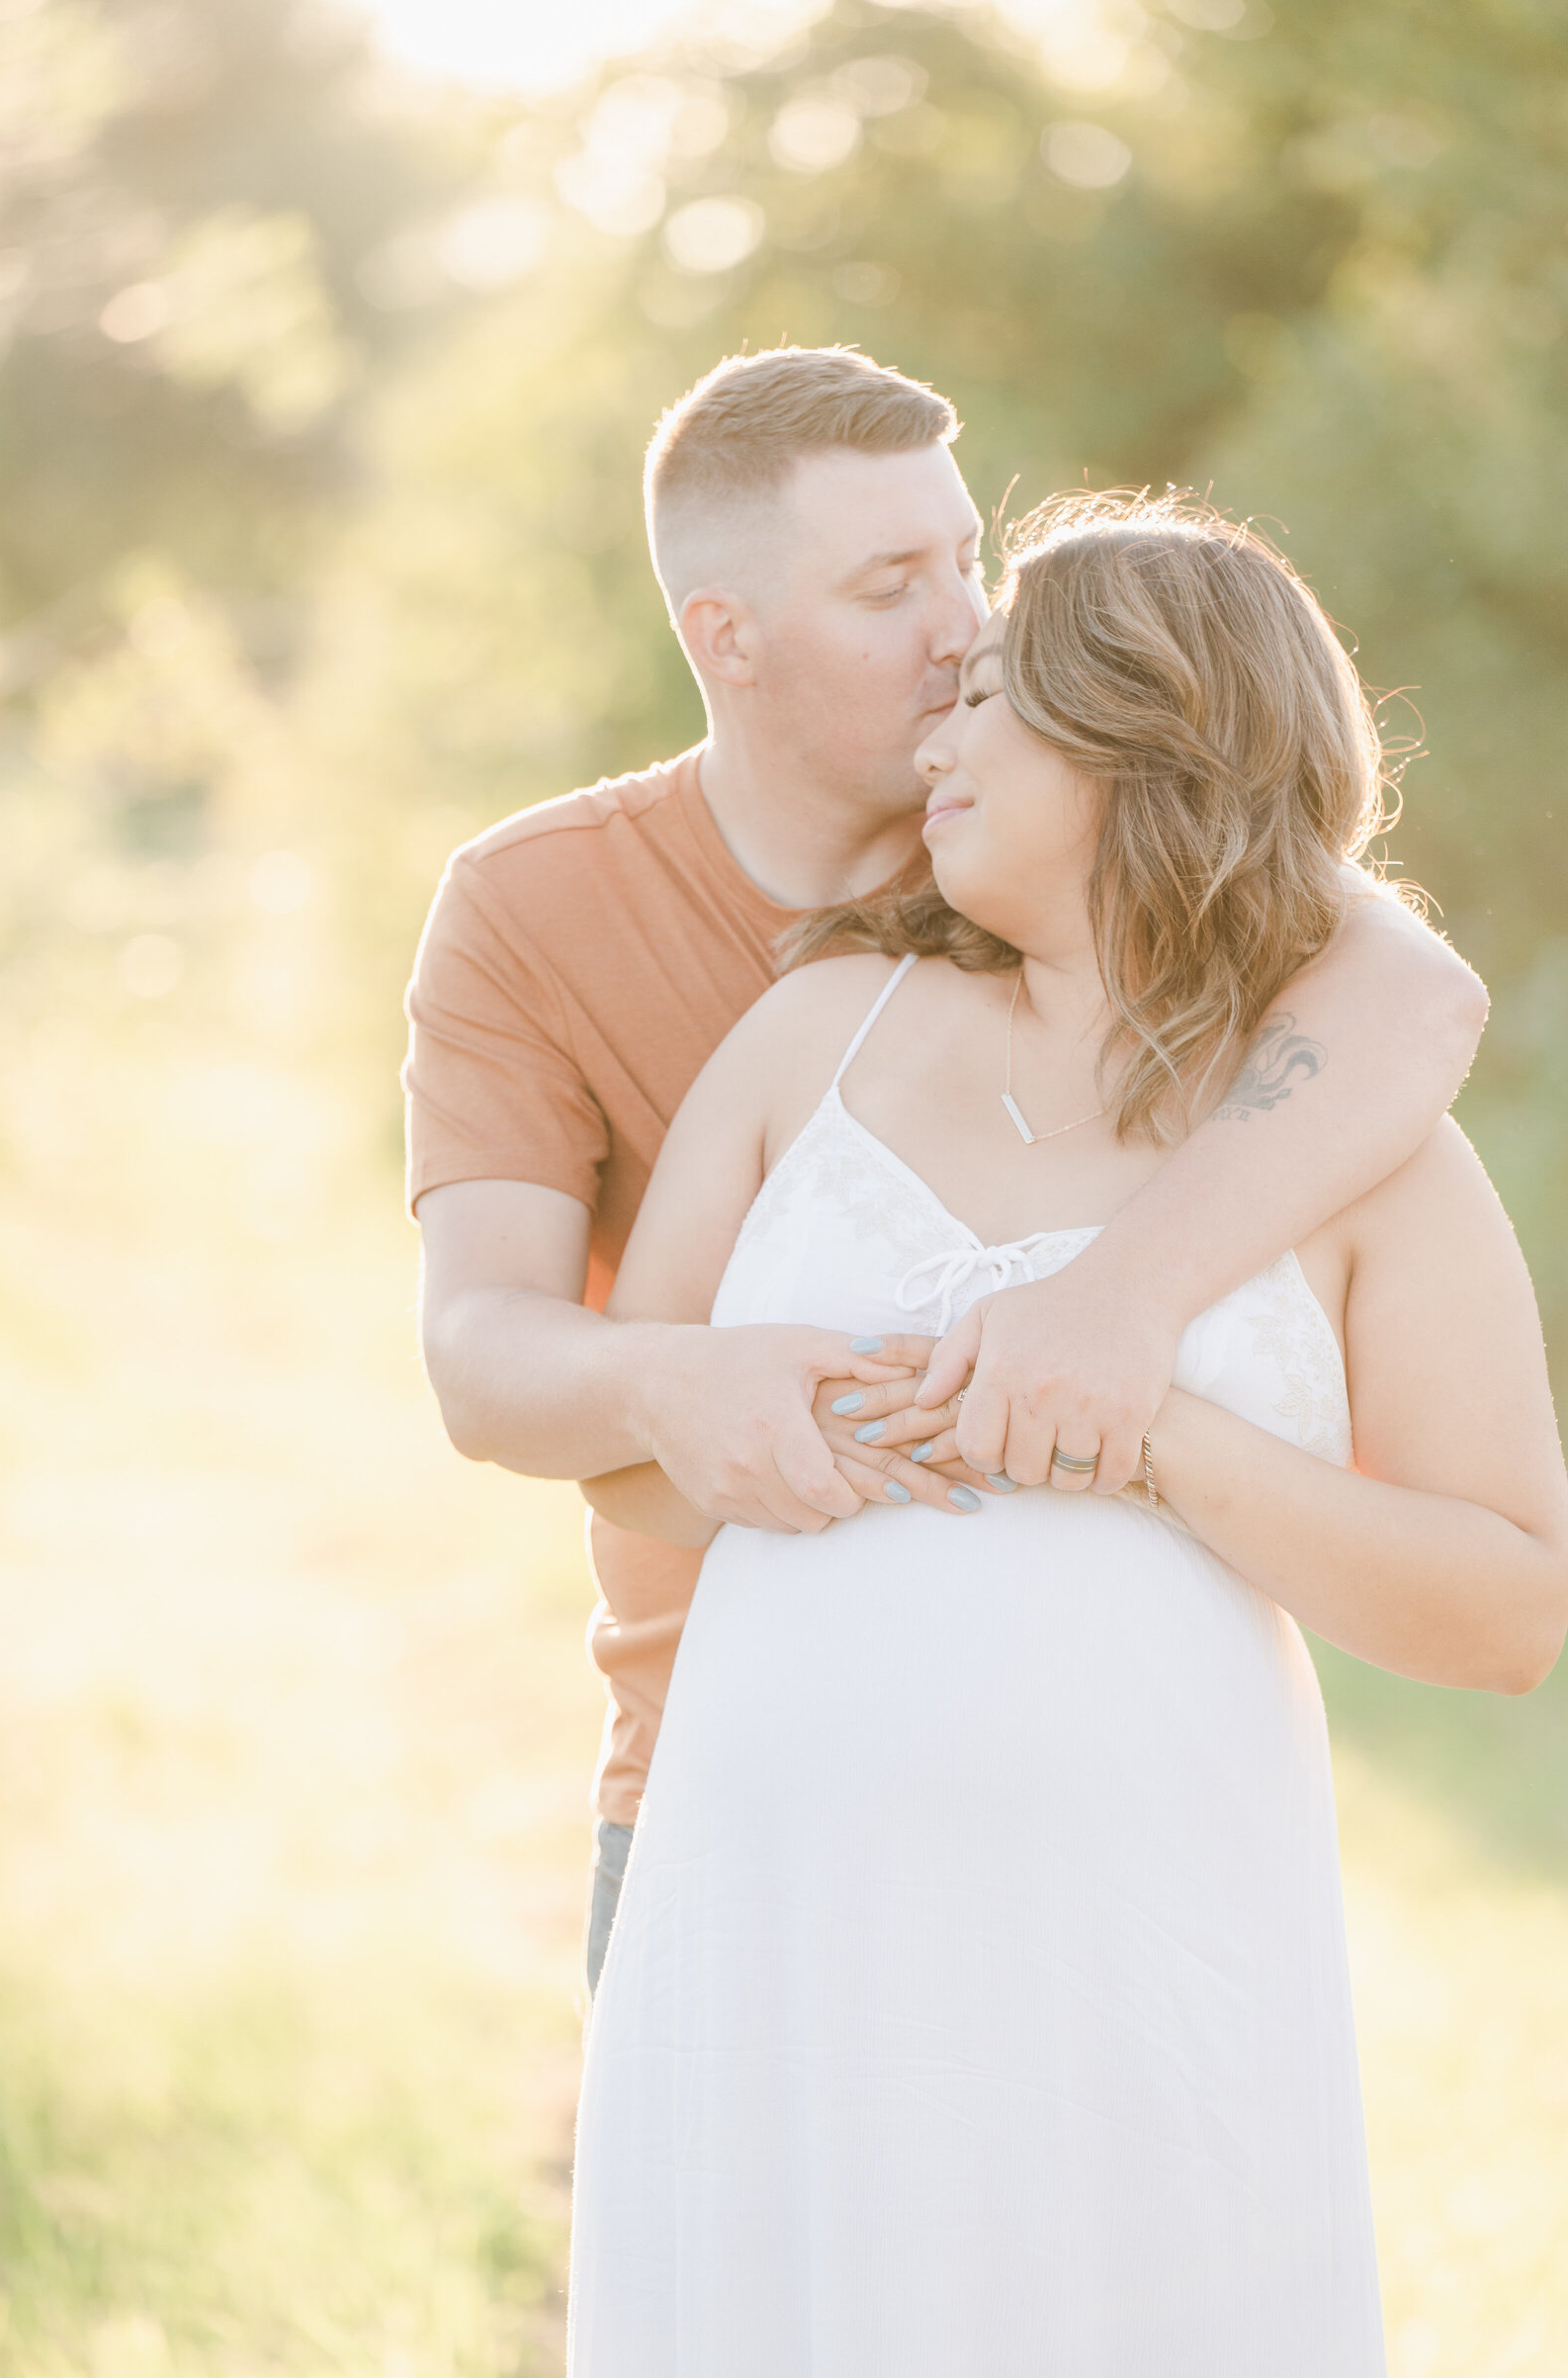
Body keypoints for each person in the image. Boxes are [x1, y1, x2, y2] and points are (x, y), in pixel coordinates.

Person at [566, 491, 1568, 2375]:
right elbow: (629, 1454)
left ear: (1145, 740)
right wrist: (753, 1407)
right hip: (781, 1921)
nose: (934, 736)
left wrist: (1163, 1437)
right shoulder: (816, 1037)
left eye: (994, 697)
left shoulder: (1364, 1152)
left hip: (1143, 1966)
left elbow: (1511, 1609)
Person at [404, 350, 1486, 1999]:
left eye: (966, 561)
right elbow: (484, 1355)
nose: (965, 629)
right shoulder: (535, 908)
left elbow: (1415, 994)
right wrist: (674, 1384)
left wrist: (1118, 1309)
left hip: (1127, 1811)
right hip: (720, 1761)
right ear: (727, 635)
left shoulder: (1047, 816)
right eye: (890, 584)